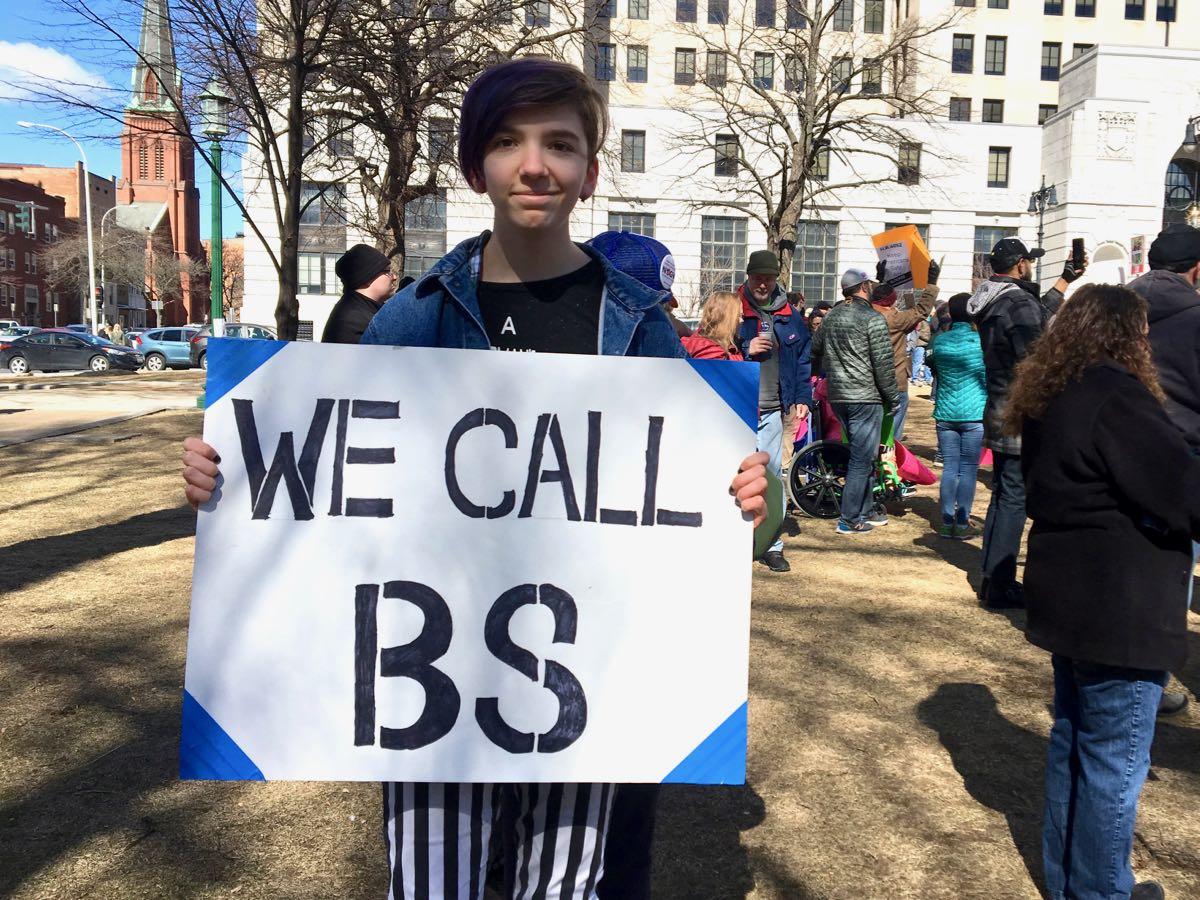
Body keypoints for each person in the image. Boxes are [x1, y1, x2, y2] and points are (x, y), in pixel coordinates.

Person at [181, 57, 769, 900]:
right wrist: (225, 479)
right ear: (474, 166)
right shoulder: (416, 315)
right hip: (435, 690)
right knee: (436, 884)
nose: (535, 164)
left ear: (590, 171)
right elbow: (330, 477)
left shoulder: (637, 324)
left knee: (566, 886)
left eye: (560, 144)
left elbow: (718, 505)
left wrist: (751, 492)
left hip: (583, 686)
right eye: (507, 141)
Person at [1004, 283, 1199, 900]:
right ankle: (1101, 892)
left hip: (1072, 594)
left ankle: (1075, 884)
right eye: (1142, 332)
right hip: (1121, 601)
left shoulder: (1050, 392)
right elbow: (1181, 494)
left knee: (1075, 744)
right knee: (1112, 762)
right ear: (1126, 334)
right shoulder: (1117, 394)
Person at [966, 237, 1086, 610]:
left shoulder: (999, 299)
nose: (1031, 266)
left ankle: (992, 577)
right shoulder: (1016, 303)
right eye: (1029, 262)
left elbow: (1034, 313)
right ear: (1020, 265)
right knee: (1013, 498)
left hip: (1001, 407)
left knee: (1004, 495)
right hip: (1019, 411)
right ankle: (1000, 583)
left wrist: (1066, 280)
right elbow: (1036, 355)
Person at [1128, 222, 1200, 719]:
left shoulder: (1117, 308)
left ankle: (1138, 674)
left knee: (1132, 561)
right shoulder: (1197, 317)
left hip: (1122, 441)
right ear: (1196, 269)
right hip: (1183, 450)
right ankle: (1152, 677)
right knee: (1175, 569)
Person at [735, 250, 812, 571]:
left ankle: (771, 544)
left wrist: (803, 396)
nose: (762, 284)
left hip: (772, 411)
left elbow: (802, 359)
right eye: (757, 277)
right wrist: (745, 348)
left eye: (768, 278)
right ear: (748, 276)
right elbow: (710, 344)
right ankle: (731, 538)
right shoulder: (732, 308)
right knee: (733, 475)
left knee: (771, 478)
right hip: (735, 407)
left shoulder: (790, 314)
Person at [810, 267, 900, 535]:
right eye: (869, 284)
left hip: (838, 394)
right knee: (862, 459)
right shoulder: (872, 319)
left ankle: (866, 510)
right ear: (863, 287)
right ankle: (849, 519)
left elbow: (815, 348)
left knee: (863, 454)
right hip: (866, 397)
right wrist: (892, 397)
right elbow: (883, 364)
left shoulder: (831, 317)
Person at [926, 293, 985, 539]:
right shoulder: (982, 341)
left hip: (946, 412)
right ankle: (962, 522)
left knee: (950, 467)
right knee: (969, 468)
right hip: (974, 413)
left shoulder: (940, 341)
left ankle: (947, 519)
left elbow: (933, 366)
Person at [868, 258, 940, 441]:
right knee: (892, 434)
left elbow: (878, 297)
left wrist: (881, 280)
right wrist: (931, 282)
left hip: (867, 383)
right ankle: (890, 459)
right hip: (895, 380)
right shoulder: (896, 319)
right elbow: (922, 310)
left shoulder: (864, 314)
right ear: (892, 302)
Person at [321, 244, 398, 344]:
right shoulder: (353, 321)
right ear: (368, 278)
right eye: (387, 271)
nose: (394, 277)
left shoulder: (362, 309)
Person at [681, 291, 744, 360]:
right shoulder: (709, 350)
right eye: (739, 316)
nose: (741, 320)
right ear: (726, 319)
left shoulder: (705, 343)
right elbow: (724, 369)